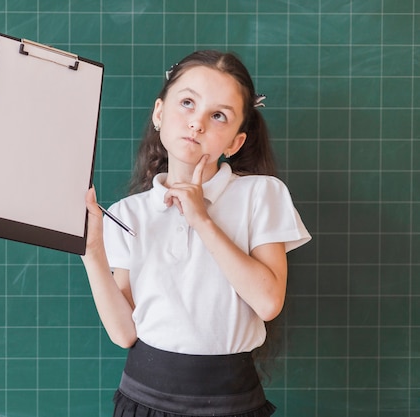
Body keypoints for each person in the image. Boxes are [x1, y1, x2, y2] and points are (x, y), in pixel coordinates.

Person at [81, 50, 311, 417]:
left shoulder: (261, 194)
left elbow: (268, 302)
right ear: (159, 113)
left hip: (232, 401)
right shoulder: (128, 214)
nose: (197, 123)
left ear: (235, 142)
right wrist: (92, 250)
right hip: (143, 399)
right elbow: (124, 333)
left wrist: (202, 219)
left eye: (218, 115)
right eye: (187, 103)